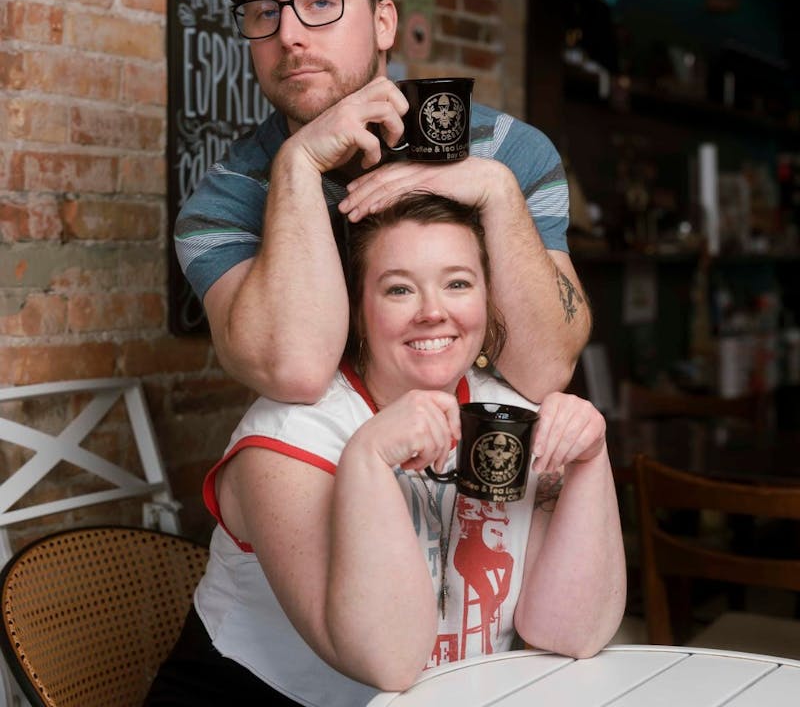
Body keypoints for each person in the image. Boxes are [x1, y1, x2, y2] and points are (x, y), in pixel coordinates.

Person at [148, 192, 626, 706]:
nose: (433, 312)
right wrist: (368, 457)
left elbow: (570, 632)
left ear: (488, 300)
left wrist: (590, 461)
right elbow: (387, 662)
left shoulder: (505, 417)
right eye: (399, 289)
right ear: (357, 310)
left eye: (458, 283)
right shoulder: (286, 438)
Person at [174, 0, 591, 406]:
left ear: (384, 22)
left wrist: (497, 192)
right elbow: (295, 373)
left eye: (321, 1)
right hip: (322, 466)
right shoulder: (222, 204)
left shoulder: (508, 151)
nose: (288, 35)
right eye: (265, 12)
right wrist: (297, 164)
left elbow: (546, 369)